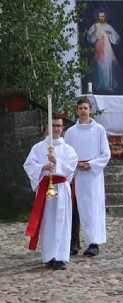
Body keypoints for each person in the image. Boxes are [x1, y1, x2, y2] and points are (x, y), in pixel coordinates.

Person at [24, 115, 78, 270]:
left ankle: (61, 257)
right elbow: (29, 165)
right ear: (47, 127)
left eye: (59, 126)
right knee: (48, 223)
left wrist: (57, 163)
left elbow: (71, 168)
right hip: (45, 188)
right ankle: (48, 256)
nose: (55, 128)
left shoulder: (68, 149)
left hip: (61, 187)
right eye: (53, 125)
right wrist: (42, 167)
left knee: (62, 221)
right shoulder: (38, 147)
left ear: (63, 129)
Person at [63, 98, 111, 257]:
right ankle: (74, 243)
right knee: (74, 209)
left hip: (92, 175)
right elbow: (66, 153)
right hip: (76, 174)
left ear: (90, 110)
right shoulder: (70, 132)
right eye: (80, 108)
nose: (83, 110)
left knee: (92, 209)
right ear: (77, 111)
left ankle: (93, 243)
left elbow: (105, 154)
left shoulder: (99, 130)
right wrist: (74, 164)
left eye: (85, 108)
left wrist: (90, 164)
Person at [87, 10, 121, 93]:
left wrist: (110, 34)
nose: (101, 18)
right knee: (99, 67)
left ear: (105, 16)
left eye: (103, 16)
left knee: (108, 66)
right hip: (99, 49)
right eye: (100, 16)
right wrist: (94, 33)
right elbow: (89, 38)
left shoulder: (109, 26)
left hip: (107, 49)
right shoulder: (95, 26)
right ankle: (99, 84)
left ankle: (110, 86)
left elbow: (116, 37)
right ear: (98, 17)